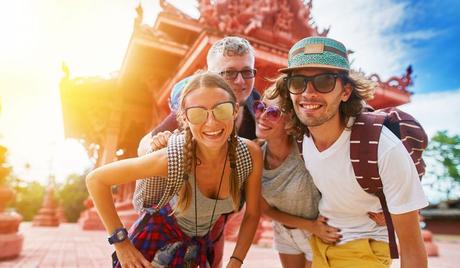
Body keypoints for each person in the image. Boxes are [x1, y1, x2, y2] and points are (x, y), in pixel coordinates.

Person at [275, 36, 428, 268]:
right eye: (298, 82)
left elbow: (412, 248)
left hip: (364, 247)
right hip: (320, 244)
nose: (308, 93)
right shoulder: (298, 134)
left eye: (324, 81)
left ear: (346, 91)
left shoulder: (383, 149)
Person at [86, 72, 262, 268]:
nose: (212, 122)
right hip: (151, 248)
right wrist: (121, 242)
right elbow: (96, 180)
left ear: (235, 110)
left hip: (196, 250)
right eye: (197, 113)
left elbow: (253, 214)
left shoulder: (249, 155)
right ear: (184, 118)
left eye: (221, 109)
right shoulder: (173, 158)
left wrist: (236, 261)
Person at [136, 36, 260, 268]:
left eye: (247, 72)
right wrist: (157, 149)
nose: (241, 81)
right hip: (174, 218)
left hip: (220, 216)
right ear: (210, 75)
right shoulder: (196, 106)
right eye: (229, 73)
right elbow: (144, 143)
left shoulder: (257, 108)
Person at [254, 78, 340, 268]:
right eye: (261, 107)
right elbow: (265, 209)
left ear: (290, 122)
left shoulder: (306, 151)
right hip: (284, 232)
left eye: (274, 112)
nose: (262, 116)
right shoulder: (255, 158)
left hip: (318, 232)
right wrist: (309, 225)